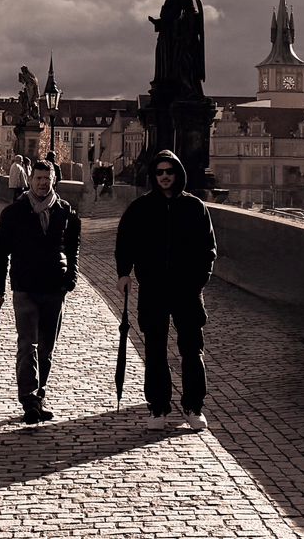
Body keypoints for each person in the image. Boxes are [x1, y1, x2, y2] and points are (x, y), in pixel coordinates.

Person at [115, 149, 217, 431]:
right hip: (154, 290)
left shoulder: (195, 207)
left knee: (192, 350)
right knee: (155, 351)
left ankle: (193, 406)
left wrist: (198, 281)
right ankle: (158, 407)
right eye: (159, 173)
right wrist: (123, 272)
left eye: (169, 172)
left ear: (178, 174)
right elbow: (125, 242)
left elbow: (208, 250)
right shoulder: (140, 208)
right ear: (153, 176)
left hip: (187, 291)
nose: (164, 177)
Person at [0, 161, 81, 424]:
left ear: (54, 180)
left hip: (55, 287)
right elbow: (0, 254)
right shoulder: (14, 213)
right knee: (27, 345)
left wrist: (70, 279)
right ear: (30, 180)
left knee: (47, 348)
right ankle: (28, 398)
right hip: (25, 287)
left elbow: (73, 248)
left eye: (47, 178)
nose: (43, 182)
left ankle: (40, 395)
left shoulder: (65, 211)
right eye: (39, 178)